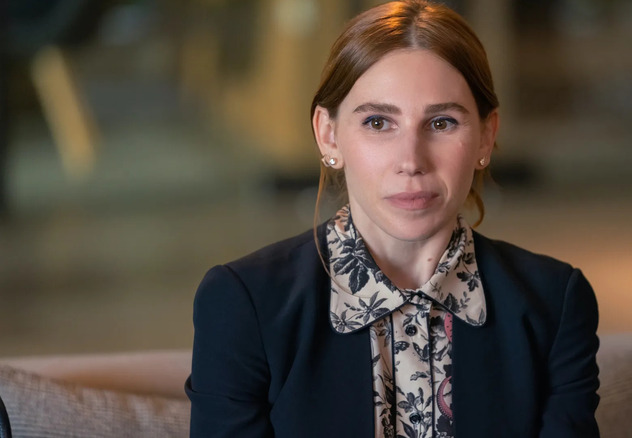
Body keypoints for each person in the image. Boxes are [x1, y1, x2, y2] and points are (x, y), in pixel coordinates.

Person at [185, 1, 600, 437]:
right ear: (329, 134)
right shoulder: (244, 304)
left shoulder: (554, 303)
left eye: (441, 123)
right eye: (379, 122)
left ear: (486, 135)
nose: (411, 160)